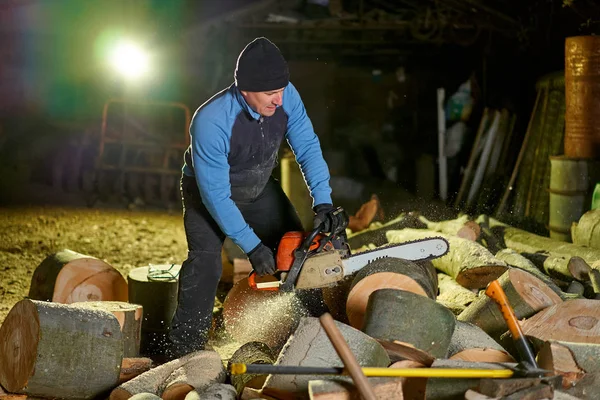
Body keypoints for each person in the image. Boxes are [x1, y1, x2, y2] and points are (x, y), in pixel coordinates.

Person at [167, 37, 347, 359]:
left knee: (297, 253)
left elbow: (306, 146)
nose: (278, 100)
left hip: (259, 185)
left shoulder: (285, 95)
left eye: (281, 90)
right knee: (205, 265)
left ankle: (312, 335)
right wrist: (251, 246)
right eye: (269, 93)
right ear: (244, 88)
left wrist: (323, 201)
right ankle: (185, 354)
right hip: (207, 194)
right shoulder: (211, 121)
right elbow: (217, 196)